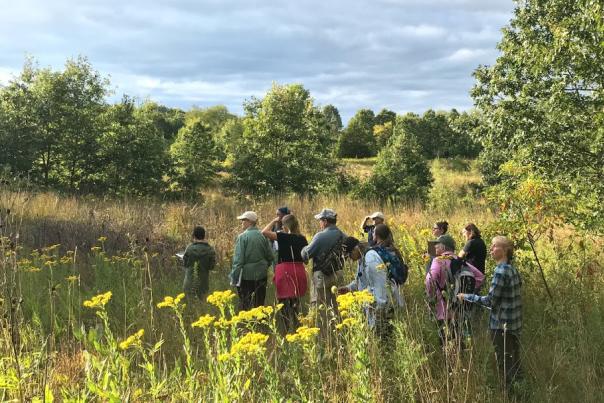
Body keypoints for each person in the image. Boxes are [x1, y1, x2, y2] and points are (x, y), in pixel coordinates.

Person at [457, 236, 523, 390]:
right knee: (515, 363)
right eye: (491, 246)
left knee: (505, 365)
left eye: (495, 246)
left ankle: (509, 395)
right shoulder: (513, 269)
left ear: (505, 250)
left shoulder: (500, 271)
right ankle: (520, 392)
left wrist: (466, 296)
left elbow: (490, 301)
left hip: (501, 327)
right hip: (514, 325)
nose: (491, 250)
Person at [339, 233, 404, 336]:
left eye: (350, 255)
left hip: (383, 308)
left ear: (356, 248)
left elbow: (380, 285)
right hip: (374, 308)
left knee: (384, 341)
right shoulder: (362, 258)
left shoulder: (371, 259)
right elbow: (361, 281)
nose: (350, 259)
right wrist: (348, 288)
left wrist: (379, 313)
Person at [425, 236, 484, 346]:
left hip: (443, 310)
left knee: (445, 342)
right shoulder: (459, 260)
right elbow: (480, 277)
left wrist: (431, 296)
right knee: (459, 340)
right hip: (461, 309)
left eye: (436, 246)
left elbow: (429, 280)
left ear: (443, 247)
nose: (435, 248)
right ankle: (461, 361)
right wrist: (466, 291)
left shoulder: (438, 260)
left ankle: (448, 362)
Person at [261, 213, 308, 333]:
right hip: (298, 270)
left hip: (285, 270)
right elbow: (306, 259)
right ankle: (297, 327)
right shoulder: (302, 238)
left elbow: (264, 232)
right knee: (295, 301)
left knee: (283, 302)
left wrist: (274, 220)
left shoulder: (282, 236)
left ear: (285, 226)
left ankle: (286, 328)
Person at [301, 208, 346, 331]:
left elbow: (306, 254)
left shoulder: (320, 236)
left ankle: (322, 335)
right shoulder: (343, 235)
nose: (320, 223)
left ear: (325, 221)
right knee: (336, 305)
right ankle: (337, 332)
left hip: (321, 276)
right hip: (338, 273)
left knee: (319, 306)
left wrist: (304, 248)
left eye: (320, 220)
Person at [229, 211, 274, 311]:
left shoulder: (242, 237)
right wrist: (264, 266)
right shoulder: (262, 236)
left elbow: (238, 261)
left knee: (246, 303)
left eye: (243, 220)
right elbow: (270, 256)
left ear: (249, 221)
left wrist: (234, 277)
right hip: (262, 274)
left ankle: (247, 325)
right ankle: (260, 324)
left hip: (246, 276)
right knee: (259, 303)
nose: (242, 222)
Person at [182, 226, 216, 301]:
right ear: (204, 236)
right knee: (202, 307)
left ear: (194, 235)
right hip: (203, 284)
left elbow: (185, 264)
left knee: (190, 307)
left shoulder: (189, 248)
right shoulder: (210, 250)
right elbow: (211, 267)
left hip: (189, 283)